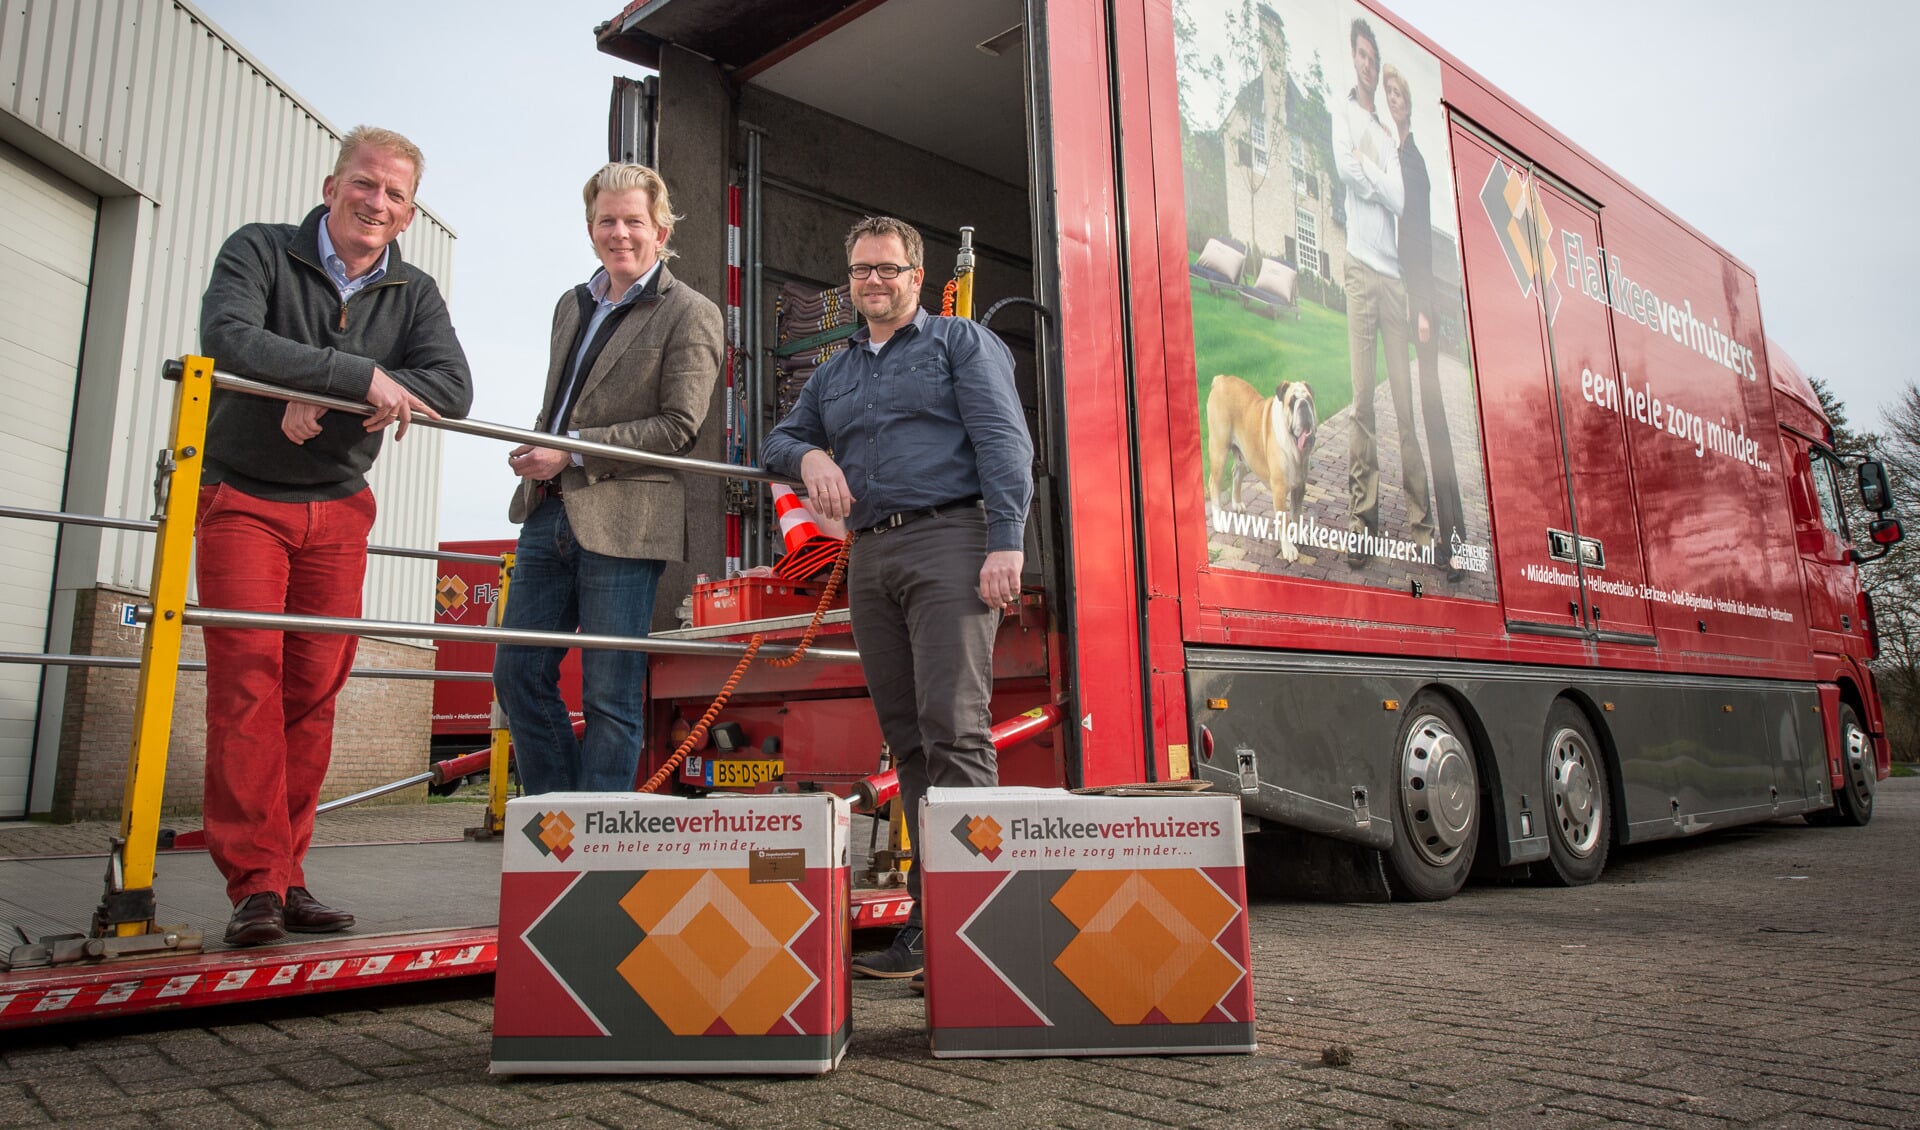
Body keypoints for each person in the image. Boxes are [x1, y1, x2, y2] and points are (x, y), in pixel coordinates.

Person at [197, 125, 472, 946]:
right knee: (247, 684)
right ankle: (254, 886)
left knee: (312, 695)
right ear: (331, 186)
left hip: (339, 507)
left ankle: (289, 874)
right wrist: (352, 374)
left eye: (393, 193)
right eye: (364, 184)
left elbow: (452, 388)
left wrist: (335, 394)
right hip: (242, 496)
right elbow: (230, 339)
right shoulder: (260, 250)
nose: (375, 202)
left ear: (410, 213)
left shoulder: (413, 292)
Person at [762, 217, 1033, 980]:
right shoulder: (834, 373)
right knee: (909, 738)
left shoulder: (959, 343)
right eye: (859, 271)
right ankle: (933, 913)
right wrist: (812, 451)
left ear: (919, 275)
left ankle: (980, 923)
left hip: (952, 540)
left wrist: (1006, 541)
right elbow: (777, 439)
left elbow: (1004, 441)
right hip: (872, 554)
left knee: (956, 728)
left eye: (887, 268)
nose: (872, 281)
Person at [493, 164, 723, 796]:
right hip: (546, 512)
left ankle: (595, 849)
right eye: (606, 221)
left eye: (633, 221)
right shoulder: (572, 305)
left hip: (626, 520)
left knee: (610, 694)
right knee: (516, 674)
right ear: (590, 226)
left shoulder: (692, 313)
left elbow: (679, 426)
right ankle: (559, 822)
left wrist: (569, 452)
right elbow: (566, 403)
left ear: (662, 227)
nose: (619, 233)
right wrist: (541, 448)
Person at [1334, 17, 1434, 567]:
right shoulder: (1344, 112)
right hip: (1357, 272)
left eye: (1375, 58)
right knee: (1361, 404)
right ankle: (1361, 523)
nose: (1369, 66)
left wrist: (1368, 170)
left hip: (1394, 283)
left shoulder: (1389, 133)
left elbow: (1397, 198)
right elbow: (1346, 170)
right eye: (1363, 57)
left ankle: (1421, 526)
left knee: (1403, 408)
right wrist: (1370, 174)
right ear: (1355, 59)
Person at [1382, 63, 1465, 582]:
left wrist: (1421, 307)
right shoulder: (1387, 155)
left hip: (1417, 298)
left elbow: (1415, 238)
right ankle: (1428, 531)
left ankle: (1454, 543)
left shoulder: (1411, 162)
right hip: (1392, 291)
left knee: (1434, 422)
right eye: (1386, 94)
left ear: (1407, 104)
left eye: (1398, 93)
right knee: (1403, 415)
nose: (1392, 100)